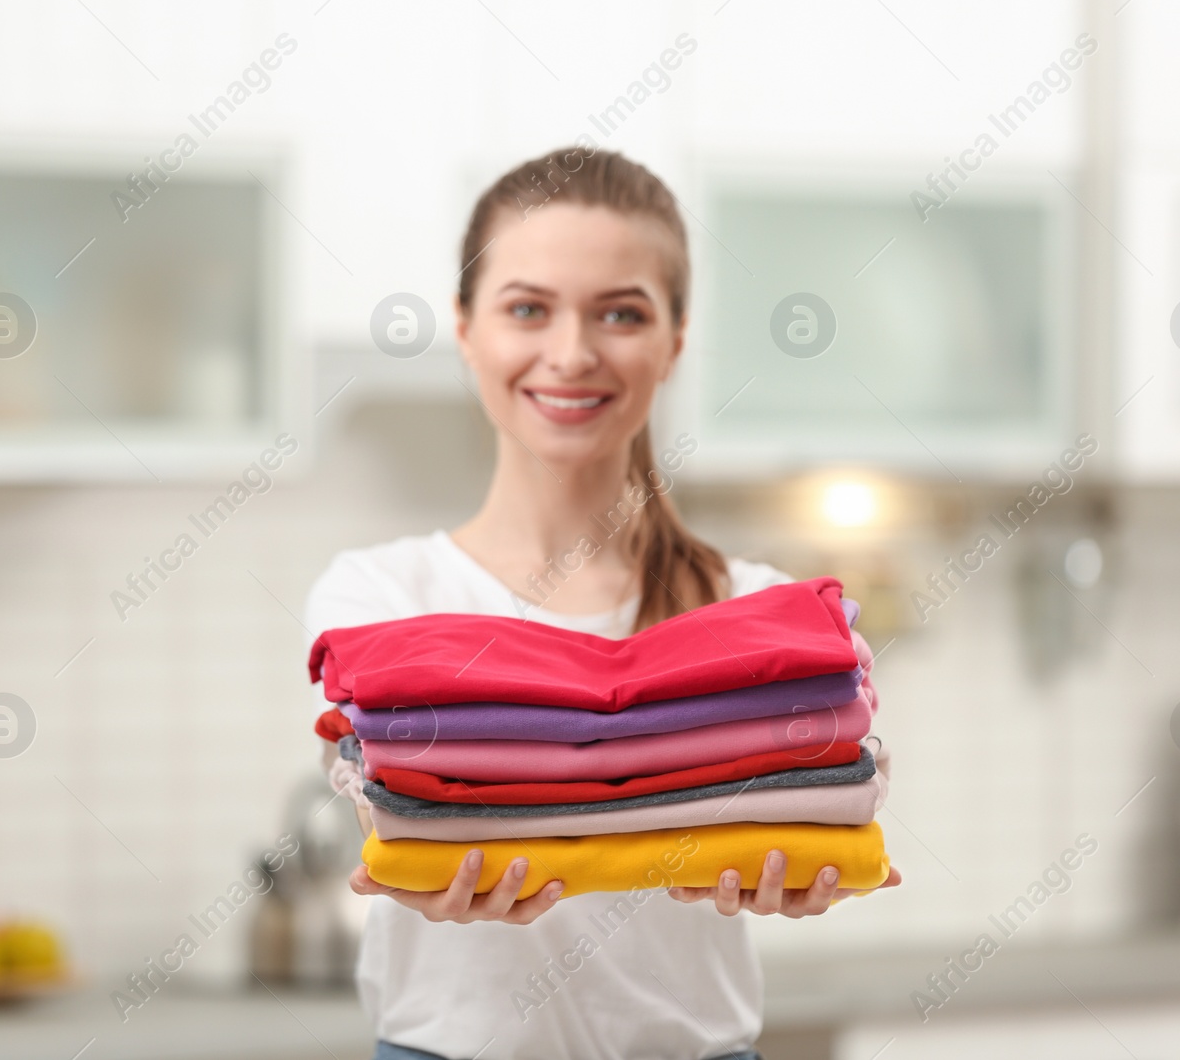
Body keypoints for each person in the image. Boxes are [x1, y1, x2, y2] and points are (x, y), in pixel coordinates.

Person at [306, 147, 899, 1060]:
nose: (572, 353)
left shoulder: (764, 612)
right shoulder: (379, 597)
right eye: (527, 308)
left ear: (675, 339)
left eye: (620, 312)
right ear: (466, 330)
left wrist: (816, 842)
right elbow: (373, 801)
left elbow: (849, 784)